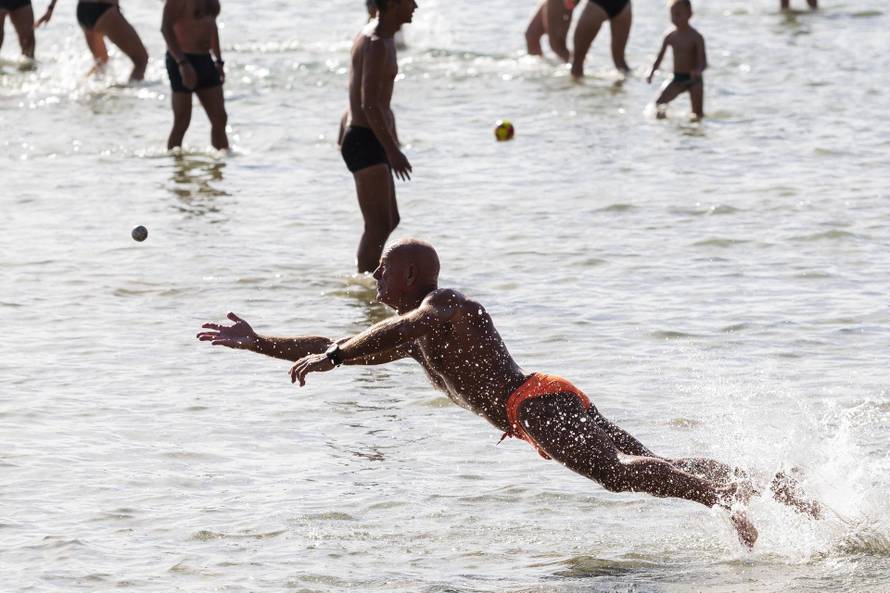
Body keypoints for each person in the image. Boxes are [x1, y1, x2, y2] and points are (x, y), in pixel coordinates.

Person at [197, 239, 824, 548]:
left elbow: (374, 334)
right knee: (642, 462)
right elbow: (343, 337)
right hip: (544, 403)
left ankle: (726, 498)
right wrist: (258, 342)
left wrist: (332, 357)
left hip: (535, 403)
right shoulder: (412, 337)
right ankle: (766, 484)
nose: (374, 275)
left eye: (383, 267)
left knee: (618, 472)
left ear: (412, 274)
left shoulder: (439, 306)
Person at [338, 0, 415, 274]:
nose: (415, 5)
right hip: (366, 139)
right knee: (377, 225)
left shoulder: (380, 36)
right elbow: (368, 103)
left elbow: (356, 92)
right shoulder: (376, 44)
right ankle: (365, 285)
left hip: (367, 137)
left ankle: (371, 282)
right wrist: (393, 150)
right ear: (393, 5)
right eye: (410, 1)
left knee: (390, 219)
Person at [161, 0, 228, 151]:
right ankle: (177, 169)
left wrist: (218, 60)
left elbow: (212, 25)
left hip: (205, 59)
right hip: (182, 60)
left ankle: (220, 168)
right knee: (182, 120)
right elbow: (166, 28)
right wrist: (182, 63)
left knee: (220, 118)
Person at [35, 0, 147, 81]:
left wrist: (50, 8)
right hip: (104, 9)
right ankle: (129, 104)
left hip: (83, 10)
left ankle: (84, 86)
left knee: (101, 61)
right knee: (141, 59)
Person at [646, 0, 706, 119]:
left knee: (697, 115)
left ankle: (694, 132)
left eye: (678, 14)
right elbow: (660, 57)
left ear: (690, 14)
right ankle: (664, 130)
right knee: (658, 105)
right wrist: (651, 72)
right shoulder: (670, 36)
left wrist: (698, 70)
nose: (674, 18)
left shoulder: (696, 37)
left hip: (694, 80)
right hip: (677, 78)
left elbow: (703, 61)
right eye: (672, 15)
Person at [570, 0, 632, 79]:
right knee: (620, 62)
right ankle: (631, 87)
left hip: (597, 5)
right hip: (624, 5)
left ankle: (576, 90)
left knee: (577, 63)